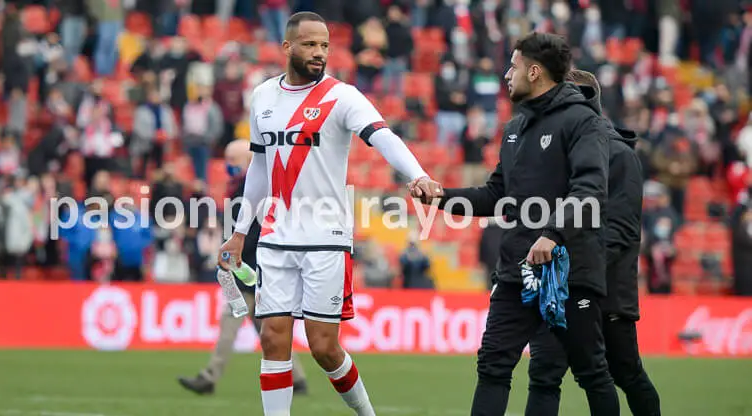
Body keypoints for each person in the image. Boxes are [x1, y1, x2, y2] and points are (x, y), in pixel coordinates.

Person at [219, 12, 438, 416]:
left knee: (323, 347)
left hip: (325, 237)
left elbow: (383, 137)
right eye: (309, 44)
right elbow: (260, 168)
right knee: (273, 338)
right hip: (276, 235)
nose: (319, 52)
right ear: (287, 47)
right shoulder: (263, 97)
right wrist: (239, 231)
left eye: (324, 45)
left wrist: (418, 174)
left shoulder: (342, 96)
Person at [412, 32, 620, 415]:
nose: (507, 74)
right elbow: (496, 195)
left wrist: (552, 234)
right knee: (492, 363)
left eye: (514, 66)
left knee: (578, 373)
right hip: (517, 270)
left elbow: (590, 189)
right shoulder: (515, 129)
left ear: (534, 72)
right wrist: (441, 197)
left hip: (570, 273)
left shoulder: (583, 122)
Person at [525, 69, 661, 416]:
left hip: (606, 288)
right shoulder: (564, 149)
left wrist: (572, 261)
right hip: (562, 285)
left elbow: (622, 229)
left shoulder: (619, 155)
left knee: (623, 373)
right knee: (546, 372)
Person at [177, 140, 309, 395]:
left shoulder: (250, 191)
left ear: (248, 160)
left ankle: (209, 377)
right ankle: (298, 378)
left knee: (232, 322)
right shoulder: (244, 189)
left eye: (233, 159)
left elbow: (254, 232)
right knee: (268, 329)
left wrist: (231, 255)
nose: (228, 165)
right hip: (250, 269)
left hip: (247, 270)